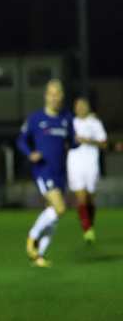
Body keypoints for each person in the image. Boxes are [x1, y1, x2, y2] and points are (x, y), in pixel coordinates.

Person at [16, 79, 74, 267]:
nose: (55, 97)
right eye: (52, 94)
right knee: (60, 208)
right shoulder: (36, 119)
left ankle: (38, 256)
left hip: (60, 172)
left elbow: (72, 141)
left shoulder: (66, 118)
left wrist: (78, 142)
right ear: (46, 96)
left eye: (58, 94)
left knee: (54, 216)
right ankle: (32, 238)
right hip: (43, 170)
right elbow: (21, 140)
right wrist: (30, 153)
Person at [66, 97, 107, 243]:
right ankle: (87, 229)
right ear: (74, 108)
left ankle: (90, 224)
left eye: (83, 105)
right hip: (74, 163)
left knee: (89, 198)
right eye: (78, 106)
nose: (81, 108)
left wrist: (87, 140)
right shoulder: (70, 123)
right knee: (81, 197)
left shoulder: (95, 123)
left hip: (91, 164)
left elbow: (104, 143)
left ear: (88, 107)